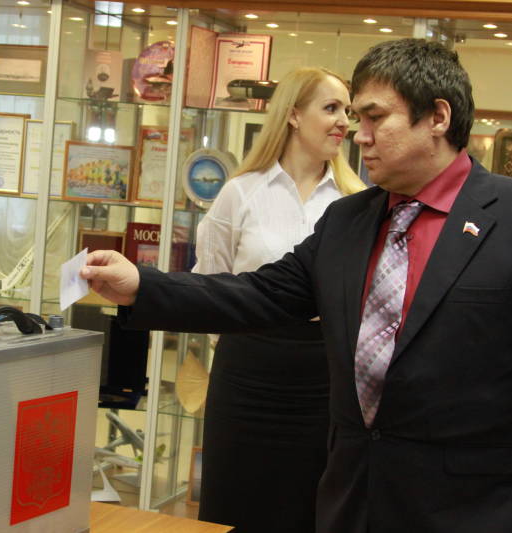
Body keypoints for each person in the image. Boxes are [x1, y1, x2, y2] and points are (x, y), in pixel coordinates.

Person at [81, 39, 512, 533]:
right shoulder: (347, 220)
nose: (358, 136)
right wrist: (141, 285)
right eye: (357, 118)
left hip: (476, 512)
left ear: (437, 117)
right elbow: (260, 294)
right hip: (352, 502)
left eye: (375, 118)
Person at [191, 67, 365, 533]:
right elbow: (211, 287)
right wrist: (245, 342)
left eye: (348, 111)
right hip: (245, 374)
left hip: (324, 379)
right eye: (331, 108)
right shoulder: (240, 193)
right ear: (293, 114)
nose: (344, 122)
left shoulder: (358, 201)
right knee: (234, 503)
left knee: (313, 508)